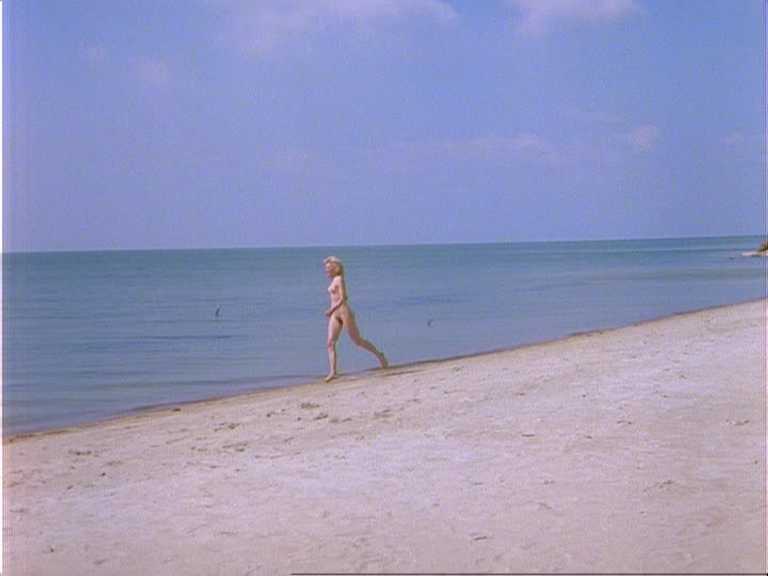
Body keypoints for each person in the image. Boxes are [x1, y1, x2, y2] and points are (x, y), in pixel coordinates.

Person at [323, 256, 388, 382]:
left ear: (334, 269)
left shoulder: (339, 279)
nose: (326, 271)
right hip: (335, 315)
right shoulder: (333, 280)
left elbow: (344, 298)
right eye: (326, 269)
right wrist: (332, 311)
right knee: (330, 343)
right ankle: (333, 372)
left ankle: (380, 355)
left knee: (358, 341)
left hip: (344, 313)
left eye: (328, 268)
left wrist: (331, 310)